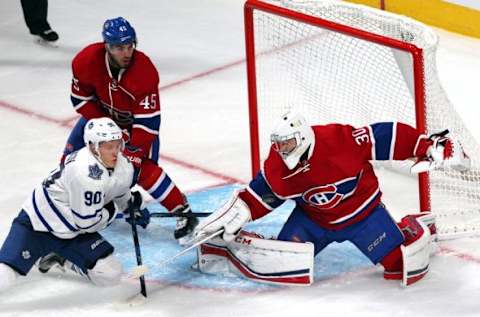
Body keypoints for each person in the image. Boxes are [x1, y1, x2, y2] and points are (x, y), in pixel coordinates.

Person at [193, 110, 470, 286]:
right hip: (313, 221)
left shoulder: (338, 140)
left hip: (364, 217)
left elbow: (383, 135)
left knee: (402, 267)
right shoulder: (278, 165)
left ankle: (415, 227)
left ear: (302, 138)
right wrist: (242, 209)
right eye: (278, 144)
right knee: (284, 263)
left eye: (287, 143)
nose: (281, 149)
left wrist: (427, 146)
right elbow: (262, 195)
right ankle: (226, 248)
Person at [64, 17, 197, 244]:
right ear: (107, 46)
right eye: (118, 47)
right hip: (99, 119)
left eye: (129, 46)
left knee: (139, 169)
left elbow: (149, 122)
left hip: (135, 126)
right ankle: (74, 210)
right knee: (69, 162)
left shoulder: (144, 71)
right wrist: (106, 127)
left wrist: (131, 151)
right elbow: (80, 100)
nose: (126, 53)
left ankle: (181, 209)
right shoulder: (86, 61)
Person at [0, 118, 151, 291]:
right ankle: (51, 252)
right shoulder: (84, 173)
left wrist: (130, 206)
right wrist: (113, 210)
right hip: (38, 225)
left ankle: (62, 257)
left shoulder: (123, 166)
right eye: (109, 147)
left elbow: (118, 188)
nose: (115, 152)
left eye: (117, 145)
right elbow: (87, 222)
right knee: (4, 277)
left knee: (110, 275)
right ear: (93, 147)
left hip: (73, 232)